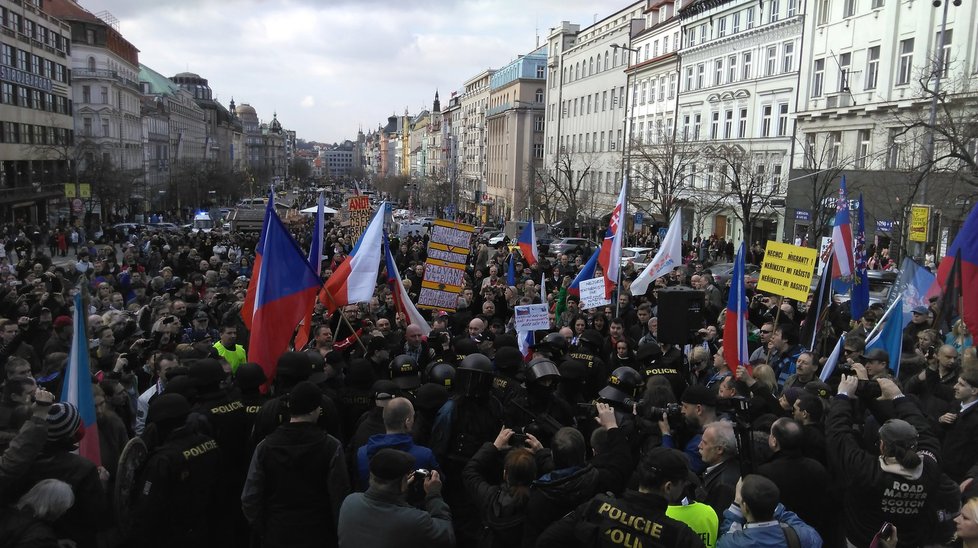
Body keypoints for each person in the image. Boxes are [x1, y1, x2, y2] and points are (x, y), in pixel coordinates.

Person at [827, 376, 947, 547]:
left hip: (862, 541)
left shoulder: (866, 470)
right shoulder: (930, 467)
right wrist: (898, 396)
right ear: (915, 443)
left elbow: (837, 435)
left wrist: (843, 395)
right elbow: (925, 431)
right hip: (911, 542)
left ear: (882, 445)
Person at [242, 381, 350, 548]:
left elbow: (250, 497)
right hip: (319, 531)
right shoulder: (331, 446)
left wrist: (263, 527)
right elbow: (339, 494)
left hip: (277, 530)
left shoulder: (264, 446)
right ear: (316, 410)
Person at [536, 447, 703, 547]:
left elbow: (546, 541)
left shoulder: (597, 507)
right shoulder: (680, 536)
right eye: (682, 483)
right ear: (668, 486)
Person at [337, 448, 454, 548]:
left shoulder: (350, 502)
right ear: (404, 480)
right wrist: (434, 494)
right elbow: (446, 535)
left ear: (371, 476)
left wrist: (398, 488)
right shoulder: (414, 520)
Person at [461, 426, 541, 548]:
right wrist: (542, 453)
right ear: (534, 475)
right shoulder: (541, 502)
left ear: (505, 474)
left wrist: (494, 446)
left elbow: (470, 472)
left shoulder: (489, 497)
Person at [355, 396, 440, 490]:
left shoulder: (362, 453)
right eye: (413, 417)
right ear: (407, 422)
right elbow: (438, 482)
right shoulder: (425, 456)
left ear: (385, 419)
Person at [716, 475, 822, 547]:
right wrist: (770, 503)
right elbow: (815, 538)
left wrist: (736, 504)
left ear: (745, 506)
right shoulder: (800, 537)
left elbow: (727, 535)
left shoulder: (732, 543)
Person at [0, 478, 75, 548]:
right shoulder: (41, 536)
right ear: (56, 507)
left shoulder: (8, 512)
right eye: (63, 508)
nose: (64, 512)